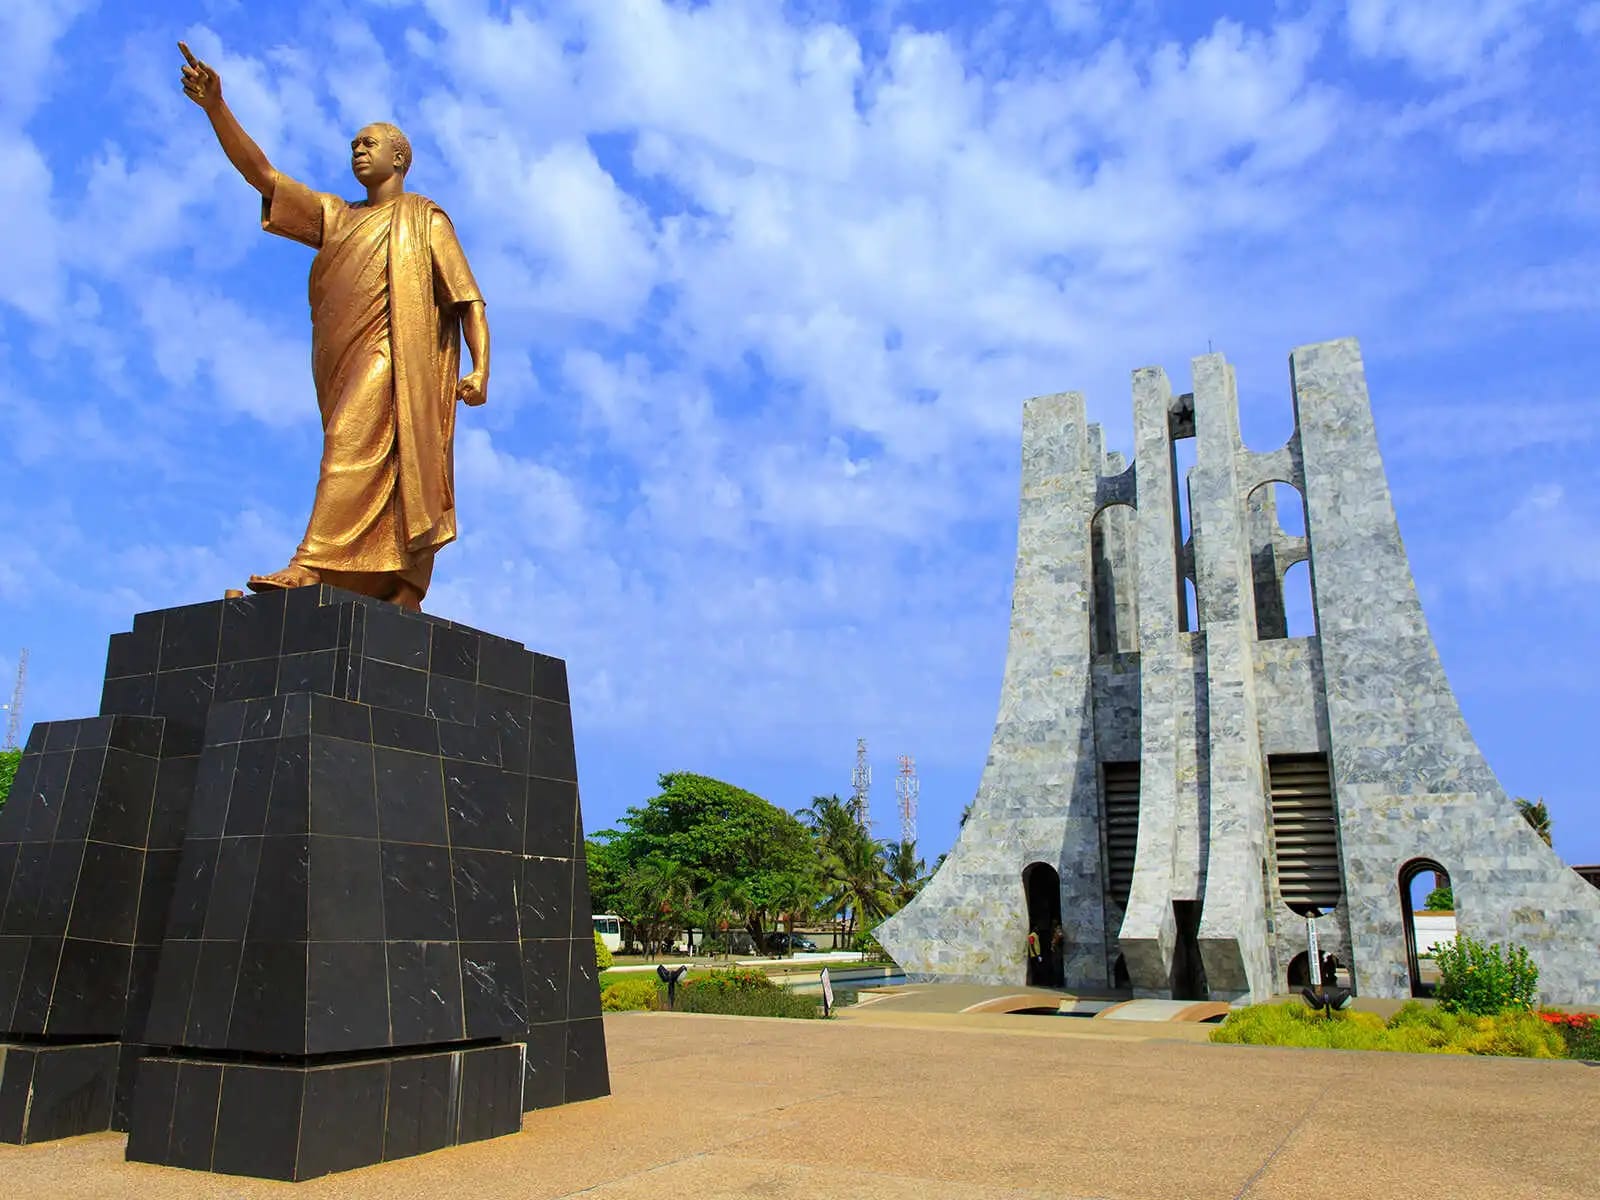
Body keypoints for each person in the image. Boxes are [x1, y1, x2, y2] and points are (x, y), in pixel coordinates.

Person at [178, 42, 490, 611]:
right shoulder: (337, 216)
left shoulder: (424, 219)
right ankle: (385, 582)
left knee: (349, 445)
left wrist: (480, 370)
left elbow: (467, 300)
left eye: (369, 144)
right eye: (353, 146)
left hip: (398, 360)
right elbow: (263, 176)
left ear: (400, 157)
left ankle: (312, 563)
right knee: (353, 446)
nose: (358, 152)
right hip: (341, 361)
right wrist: (216, 108)